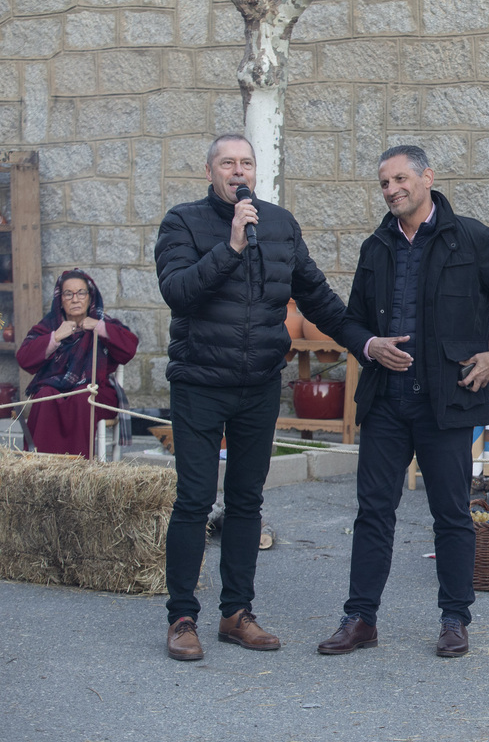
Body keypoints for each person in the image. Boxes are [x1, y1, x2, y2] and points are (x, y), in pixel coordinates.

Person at [316, 145, 489, 658]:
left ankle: (454, 619)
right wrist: (370, 345)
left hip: (448, 403)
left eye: (400, 179)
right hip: (385, 403)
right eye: (384, 183)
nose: (392, 189)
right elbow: (351, 320)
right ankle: (360, 619)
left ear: (427, 179)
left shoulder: (470, 237)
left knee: (450, 514)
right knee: (373, 513)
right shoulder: (375, 246)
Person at [155, 133, 346, 661]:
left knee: (246, 502)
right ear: (210, 171)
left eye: (246, 162)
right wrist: (231, 246)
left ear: (256, 171)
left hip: (259, 383)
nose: (237, 171)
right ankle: (182, 617)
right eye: (226, 163)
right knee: (194, 501)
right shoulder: (183, 222)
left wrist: (367, 340)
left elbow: (317, 296)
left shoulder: (280, 224)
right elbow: (177, 291)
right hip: (199, 383)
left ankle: (237, 613)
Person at [16, 269, 139, 457]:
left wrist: (98, 327)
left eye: (81, 293)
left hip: (98, 387)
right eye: (68, 294)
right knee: (44, 396)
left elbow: (129, 348)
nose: (75, 299)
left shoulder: (103, 322)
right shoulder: (50, 325)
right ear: (60, 300)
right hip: (56, 385)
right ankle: (40, 465)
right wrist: (56, 336)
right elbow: (24, 358)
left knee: (83, 397)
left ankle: (79, 469)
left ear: (90, 297)